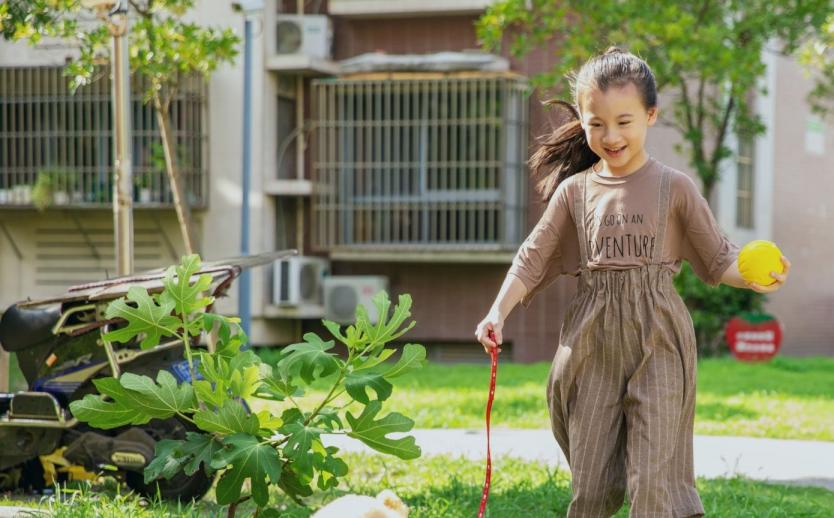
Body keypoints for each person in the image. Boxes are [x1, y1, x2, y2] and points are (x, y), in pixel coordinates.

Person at [474, 46, 790, 517]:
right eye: (595, 123)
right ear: (582, 120)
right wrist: (497, 311)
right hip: (591, 340)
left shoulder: (674, 187)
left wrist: (751, 278)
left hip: (659, 334)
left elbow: (718, 256)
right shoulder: (575, 192)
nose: (610, 135)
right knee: (593, 487)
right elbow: (532, 258)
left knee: (653, 481)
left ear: (650, 115)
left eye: (624, 121)